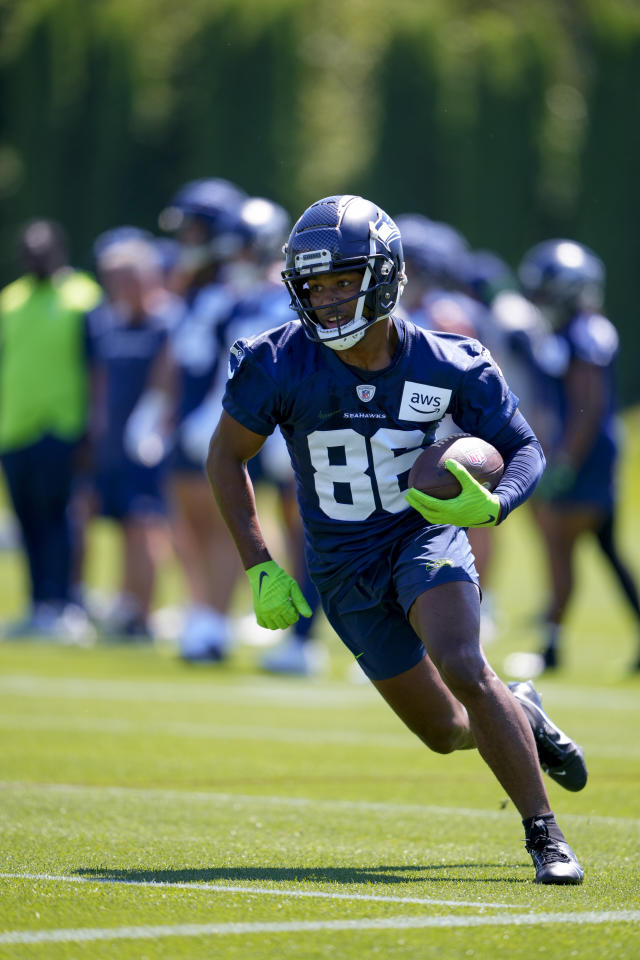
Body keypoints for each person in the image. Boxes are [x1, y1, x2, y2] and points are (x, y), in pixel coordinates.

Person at [206, 194, 587, 885]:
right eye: (313, 285)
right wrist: (259, 564)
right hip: (342, 566)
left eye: (342, 280)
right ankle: (521, 711)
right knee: (447, 731)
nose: (325, 299)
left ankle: (546, 836)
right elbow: (224, 456)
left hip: (422, 534)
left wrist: (494, 504)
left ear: (383, 277)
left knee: (464, 663)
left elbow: (523, 449)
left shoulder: (448, 361)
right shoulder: (278, 361)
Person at [518, 239, 640, 671]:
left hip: (586, 457)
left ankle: (551, 648)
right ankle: (554, 645)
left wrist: (565, 461)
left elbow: (586, 405)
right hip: (586, 454)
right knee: (605, 549)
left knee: (560, 544)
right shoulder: (569, 331)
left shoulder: (587, 331)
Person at [154, 177, 248, 661]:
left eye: (194, 230)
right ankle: (199, 609)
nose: (186, 239)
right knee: (184, 521)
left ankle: (217, 620)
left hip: (216, 422)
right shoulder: (188, 287)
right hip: (184, 419)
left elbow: (237, 361)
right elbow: (175, 354)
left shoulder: (234, 289)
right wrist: (157, 409)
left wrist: (212, 415)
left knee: (219, 522)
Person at [0, 219, 101, 640]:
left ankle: (62, 604)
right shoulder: (10, 300)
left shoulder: (83, 298)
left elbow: (96, 368)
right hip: (15, 428)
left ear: (59, 251)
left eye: (43, 251)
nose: (36, 258)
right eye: (30, 252)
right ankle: (37, 603)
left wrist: (93, 427)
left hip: (63, 427)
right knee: (27, 522)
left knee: (60, 519)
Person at [87, 233, 180, 638]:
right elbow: (102, 380)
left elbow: (172, 378)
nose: (121, 287)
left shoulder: (167, 320)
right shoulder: (109, 322)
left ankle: (143, 612)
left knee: (146, 523)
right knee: (126, 524)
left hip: (148, 442)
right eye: (113, 279)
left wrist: (155, 425)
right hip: (114, 444)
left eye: (128, 278)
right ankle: (129, 602)